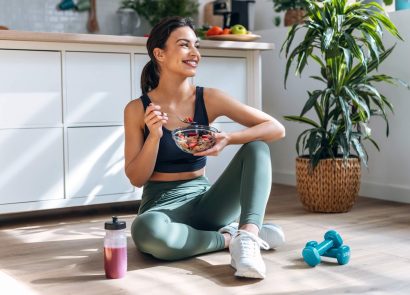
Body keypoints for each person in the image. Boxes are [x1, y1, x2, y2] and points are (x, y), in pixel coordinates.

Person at [124, 16, 286, 279]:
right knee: (146, 231)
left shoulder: (208, 98)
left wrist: (229, 138)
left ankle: (249, 237)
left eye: (196, 45)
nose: (195, 53)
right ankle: (228, 237)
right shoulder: (137, 109)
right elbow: (136, 178)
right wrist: (153, 136)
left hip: (208, 203)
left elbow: (275, 128)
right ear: (159, 54)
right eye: (184, 45)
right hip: (160, 207)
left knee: (257, 147)